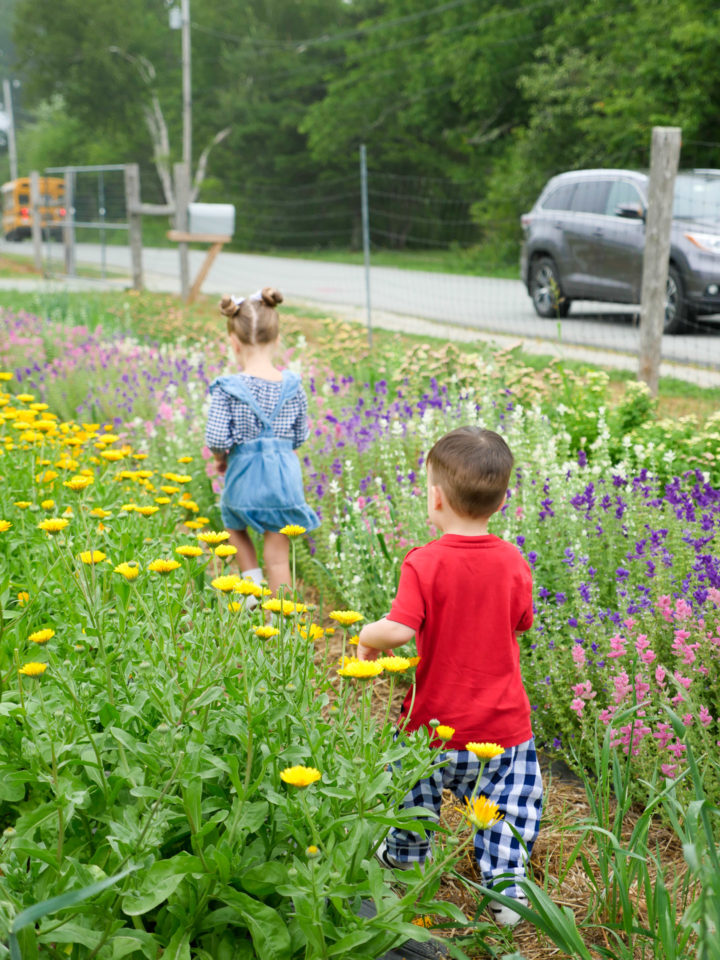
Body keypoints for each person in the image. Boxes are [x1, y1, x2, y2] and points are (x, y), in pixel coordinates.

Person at [356, 426, 542, 927]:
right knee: (511, 807)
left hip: (434, 724)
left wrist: (369, 638)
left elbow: (399, 629)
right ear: (502, 502)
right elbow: (522, 620)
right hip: (504, 726)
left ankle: (405, 858)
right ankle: (505, 888)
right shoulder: (512, 561)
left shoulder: (424, 562)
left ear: (435, 498)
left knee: (413, 800)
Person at [204, 287, 320, 595]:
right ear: (277, 340)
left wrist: (221, 458)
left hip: (243, 473)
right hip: (283, 478)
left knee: (234, 525)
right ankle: (281, 614)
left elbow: (216, 437)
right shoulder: (293, 385)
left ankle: (251, 587)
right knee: (278, 552)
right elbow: (300, 435)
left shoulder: (228, 388)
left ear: (234, 342)